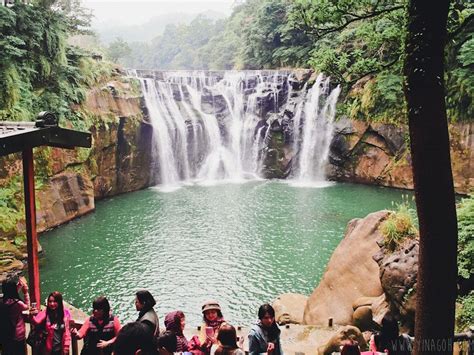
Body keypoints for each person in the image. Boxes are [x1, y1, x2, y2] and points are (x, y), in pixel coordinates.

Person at [30, 291, 71, 355]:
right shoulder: (46, 313)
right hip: (48, 349)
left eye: (54, 301)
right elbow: (36, 321)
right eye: (50, 301)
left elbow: (67, 331)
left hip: (61, 348)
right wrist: (31, 315)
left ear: (59, 302)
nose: (52, 304)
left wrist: (66, 346)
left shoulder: (65, 313)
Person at [0, 276, 30, 355]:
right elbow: (27, 306)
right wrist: (26, 292)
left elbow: (10, 293)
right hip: (18, 335)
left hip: (5, 334)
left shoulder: (2, 301)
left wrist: (19, 286)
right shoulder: (17, 303)